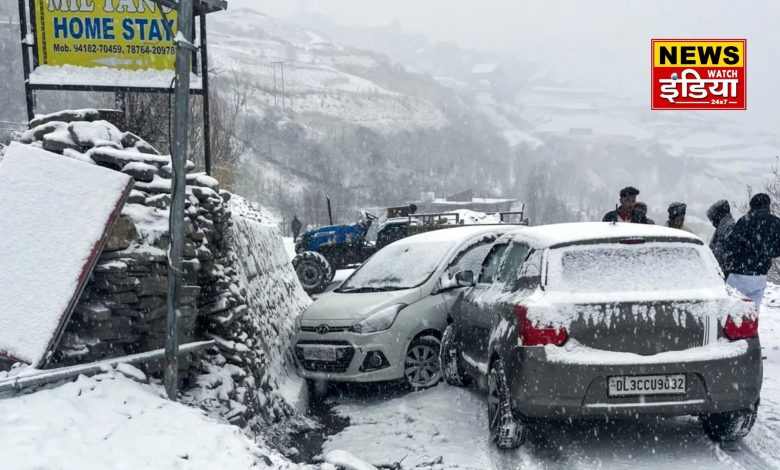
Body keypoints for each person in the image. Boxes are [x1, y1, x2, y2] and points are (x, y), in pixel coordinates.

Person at [723, 193, 780, 311]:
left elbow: (730, 246)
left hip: (739, 274)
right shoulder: (776, 222)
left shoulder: (745, 220)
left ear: (752, 205)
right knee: (752, 315)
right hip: (760, 276)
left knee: (730, 313)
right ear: (768, 206)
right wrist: (766, 252)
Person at [706, 199, 736, 275]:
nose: (712, 223)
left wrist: (723, 268)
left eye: (712, 219)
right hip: (719, 271)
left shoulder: (729, 228)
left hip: (724, 273)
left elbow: (728, 253)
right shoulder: (721, 229)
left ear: (719, 215)